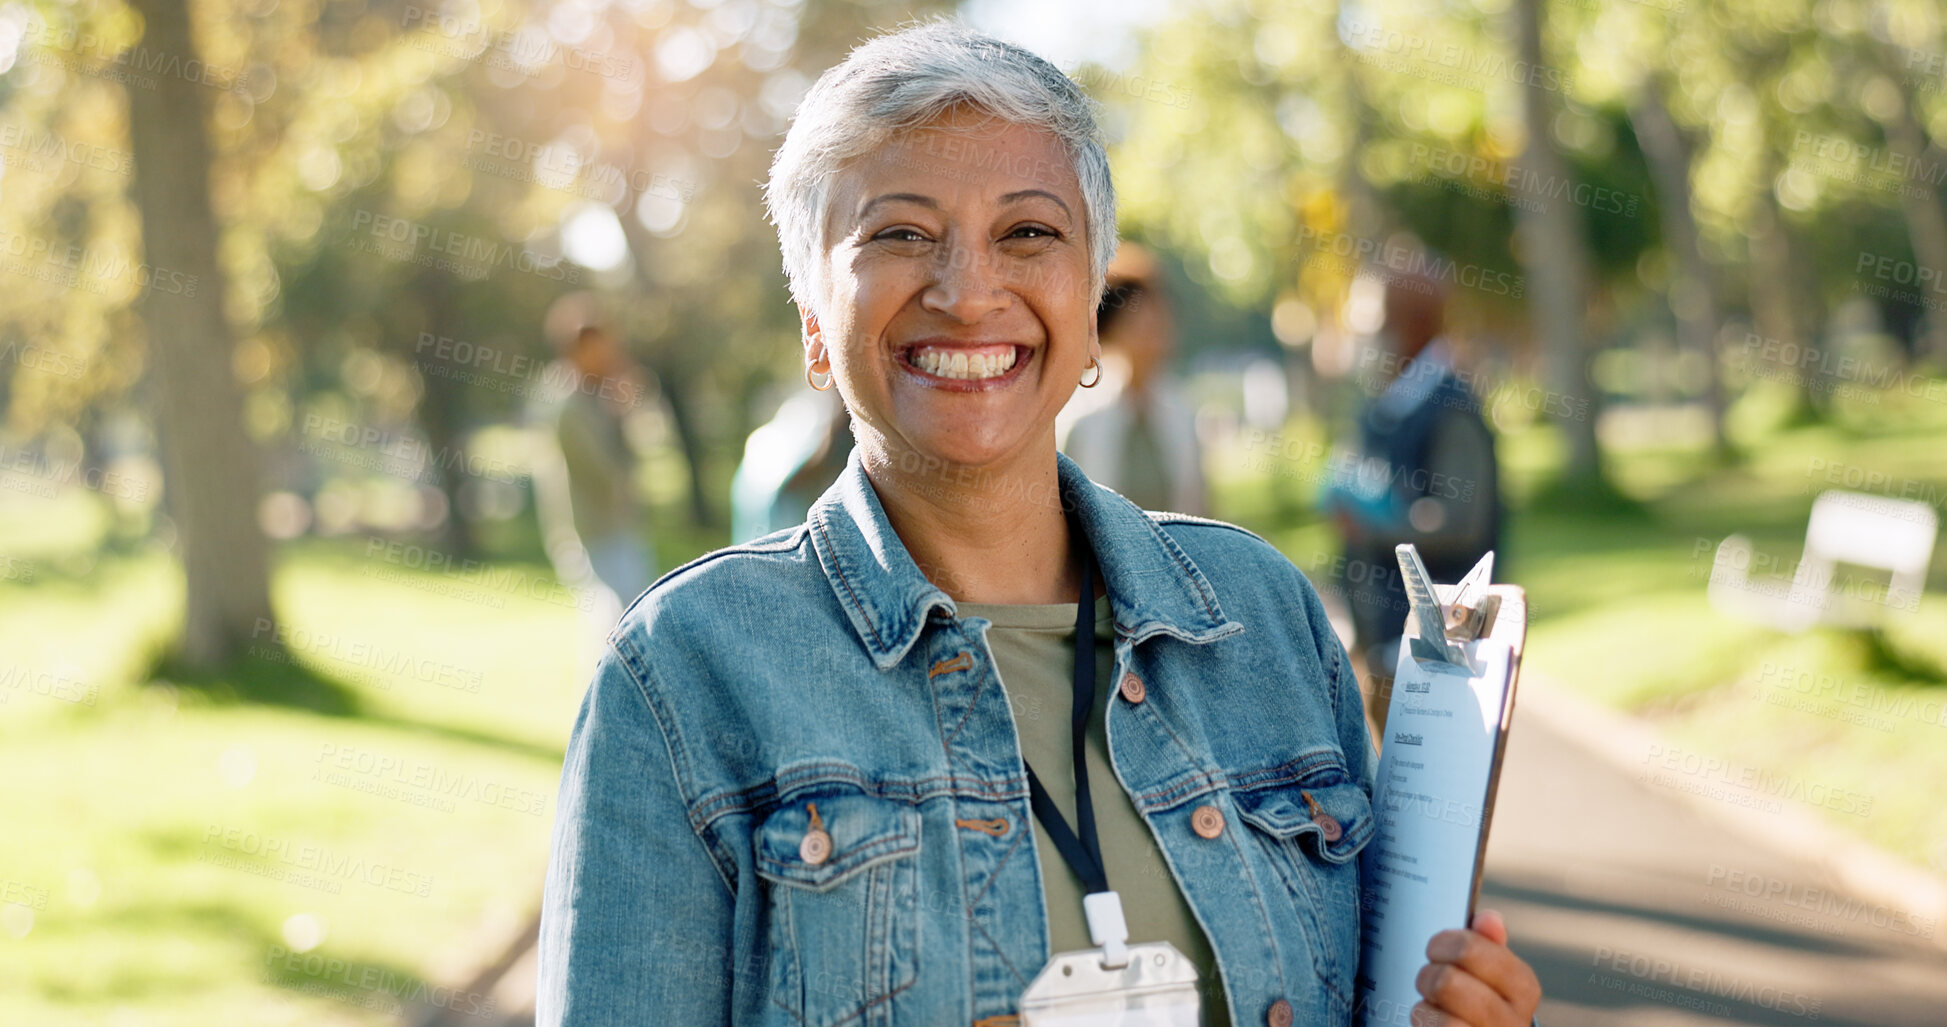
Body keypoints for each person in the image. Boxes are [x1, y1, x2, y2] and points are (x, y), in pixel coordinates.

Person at [538, 21, 1540, 1027]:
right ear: (812, 324)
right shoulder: (680, 677)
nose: (968, 292)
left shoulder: (1264, 619)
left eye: (1027, 233)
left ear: (1091, 302)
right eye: (899, 234)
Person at [1320, 263, 1501, 731]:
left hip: (1438, 653)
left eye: (1377, 323)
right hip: (1389, 643)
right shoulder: (1393, 403)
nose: (1369, 337)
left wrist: (1373, 524)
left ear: (1412, 324)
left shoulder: (1451, 407)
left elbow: (1461, 522)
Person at [529, 293, 655, 628]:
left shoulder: (593, 395)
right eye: (595, 346)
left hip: (613, 527)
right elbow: (606, 474)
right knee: (618, 630)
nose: (605, 354)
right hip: (592, 534)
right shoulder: (569, 405)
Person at [1058, 242, 1208, 514]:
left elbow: (1201, 509)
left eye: (1160, 317)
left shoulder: (1181, 412)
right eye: (1141, 320)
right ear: (1113, 327)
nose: (1156, 330)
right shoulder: (1079, 415)